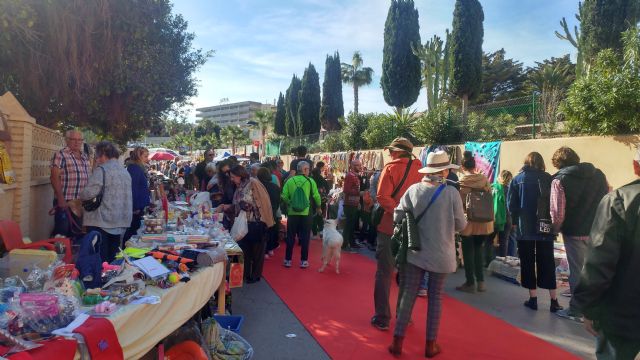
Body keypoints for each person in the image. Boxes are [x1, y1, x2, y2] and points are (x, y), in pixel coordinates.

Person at [389, 151, 466, 358]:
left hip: (415, 252)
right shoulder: (451, 193)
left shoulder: (414, 190)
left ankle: (397, 341)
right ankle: (430, 345)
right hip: (442, 254)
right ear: (444, 171)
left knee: (408, 296)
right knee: (435, 299)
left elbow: (397, 216)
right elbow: (461, 224)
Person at [572, 148, 640, 360]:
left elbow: (599, 261)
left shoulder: (619, 199)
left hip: (623, 313)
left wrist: (588, 306)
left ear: (635, 166)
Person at [550, 147, 608, 322]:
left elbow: (557, 213)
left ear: (558, 164)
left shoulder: (559, 180)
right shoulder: (599, 175)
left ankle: (577, 310)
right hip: (597, 229)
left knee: (577, 271)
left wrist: (555, 230)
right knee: (594, 270)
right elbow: (608, 198)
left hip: (574, 232)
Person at [371, 137, 423, 331]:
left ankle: (382, 317)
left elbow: (383, 197)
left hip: (389, 226)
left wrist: (398, 213)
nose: (390, 153)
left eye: (392, 150)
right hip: (413, 228)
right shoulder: (421, 169)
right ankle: (404, 315)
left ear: (399, 152)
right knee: (408, 275)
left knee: (384, 272)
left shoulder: (390, 168)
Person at [508, 152, 563, 313]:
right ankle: (554, 301)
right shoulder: (549, 178)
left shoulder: (517, 179)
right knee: (547, 262)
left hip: (525, 228)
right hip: (545, 228)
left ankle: (533, 299)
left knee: (527, 263)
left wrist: (515, 222)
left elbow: (512, 206)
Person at [218, 165, 274, 283]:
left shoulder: (251, 184)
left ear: (240, 175)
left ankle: (255, 276)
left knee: (256, 252)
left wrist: (228, 207)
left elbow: (247, 205)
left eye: (233, 177)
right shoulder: (240, 185)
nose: (231, 179)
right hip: (246, 223)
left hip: (256, 222)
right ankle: (245, 274)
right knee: (245, 251)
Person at [79, 142, 132, 263]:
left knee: (99, 260)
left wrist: (80, 195)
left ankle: (99, 281)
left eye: (97, 156)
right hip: (120, 221)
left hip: (101, 221)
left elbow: (88, 194)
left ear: (103, 154)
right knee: (112, 259)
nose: (97, 160)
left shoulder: (102, 170)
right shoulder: (125, 172)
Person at [456, 151, 494, 293]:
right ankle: (481, 282)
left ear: (462, 166)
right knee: (479, 249)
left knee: (467, 252)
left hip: (468, 223)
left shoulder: (461, 182)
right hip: (484, 222)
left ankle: (470, 282)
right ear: (474, 165)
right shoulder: (484, 179)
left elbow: (458, 204)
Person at [281, 161, 321, 268]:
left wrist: (290, 203)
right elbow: (316, 196)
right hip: (306, 213)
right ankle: (303, 261)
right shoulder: (310, 181)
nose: (309, 171)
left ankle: (288, 260)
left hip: (292, 212)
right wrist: (318, 207)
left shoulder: (290, 181)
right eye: (308, 169)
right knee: (305, 236)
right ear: (305, 170)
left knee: (290, 236)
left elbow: (284, 195)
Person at [50, 130, 90, 237]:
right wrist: (60, 199)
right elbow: (54, 178)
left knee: (76, 234)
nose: (77, 142)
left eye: (79, 140)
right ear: (67, 140)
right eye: (73, 139)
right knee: (62, 235)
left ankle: (72, 254)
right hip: (65, 202)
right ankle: (57, 253)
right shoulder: (61, 155)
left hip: (80, 204)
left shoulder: (85, 157)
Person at [123, 147, 151, 242]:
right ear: (138, 157)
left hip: (139, 206)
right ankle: (125, 253)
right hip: (136, 208)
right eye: (145, 156)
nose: (147, 159)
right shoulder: (134, 169)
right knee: (132, 232)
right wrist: (134, 207)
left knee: (134, 231)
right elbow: (132, 189)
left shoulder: (138, 168)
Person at [257, 167, 281, 259]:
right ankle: (270, 249)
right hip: (273, 211)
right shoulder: (275, 187)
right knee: (272, 230)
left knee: (263, 232)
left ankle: (265, 251)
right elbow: (279, 200)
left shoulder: (259, 186)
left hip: (262, 212)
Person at [492, 170, 513, 258]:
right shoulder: (510, 190)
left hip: (493, 218)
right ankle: (502, 262)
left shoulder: (493, 187)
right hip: (507, 218)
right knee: (504, 242)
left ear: (500, 177)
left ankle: (490, 261)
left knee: (489, 241)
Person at [343, 159, 363, 251]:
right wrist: (359, 193)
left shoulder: (354, 176)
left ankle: (351, 243)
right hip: (349, 204)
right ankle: (344, 244)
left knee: (351, 225)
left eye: (360, 165)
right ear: (353, 166)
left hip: (353, 204)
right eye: (358, 165)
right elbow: (346, 190)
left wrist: (358, 202)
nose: (360, 167)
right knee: (348, 225)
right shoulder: (350, 176)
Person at [311, 162, 330, 237]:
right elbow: (328, 189)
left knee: (313, 215)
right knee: (320, 214)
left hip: (313, 200)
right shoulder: (323, 180)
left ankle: (314, 232)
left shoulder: (311, 180)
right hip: (322, 200)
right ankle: (321, 230)